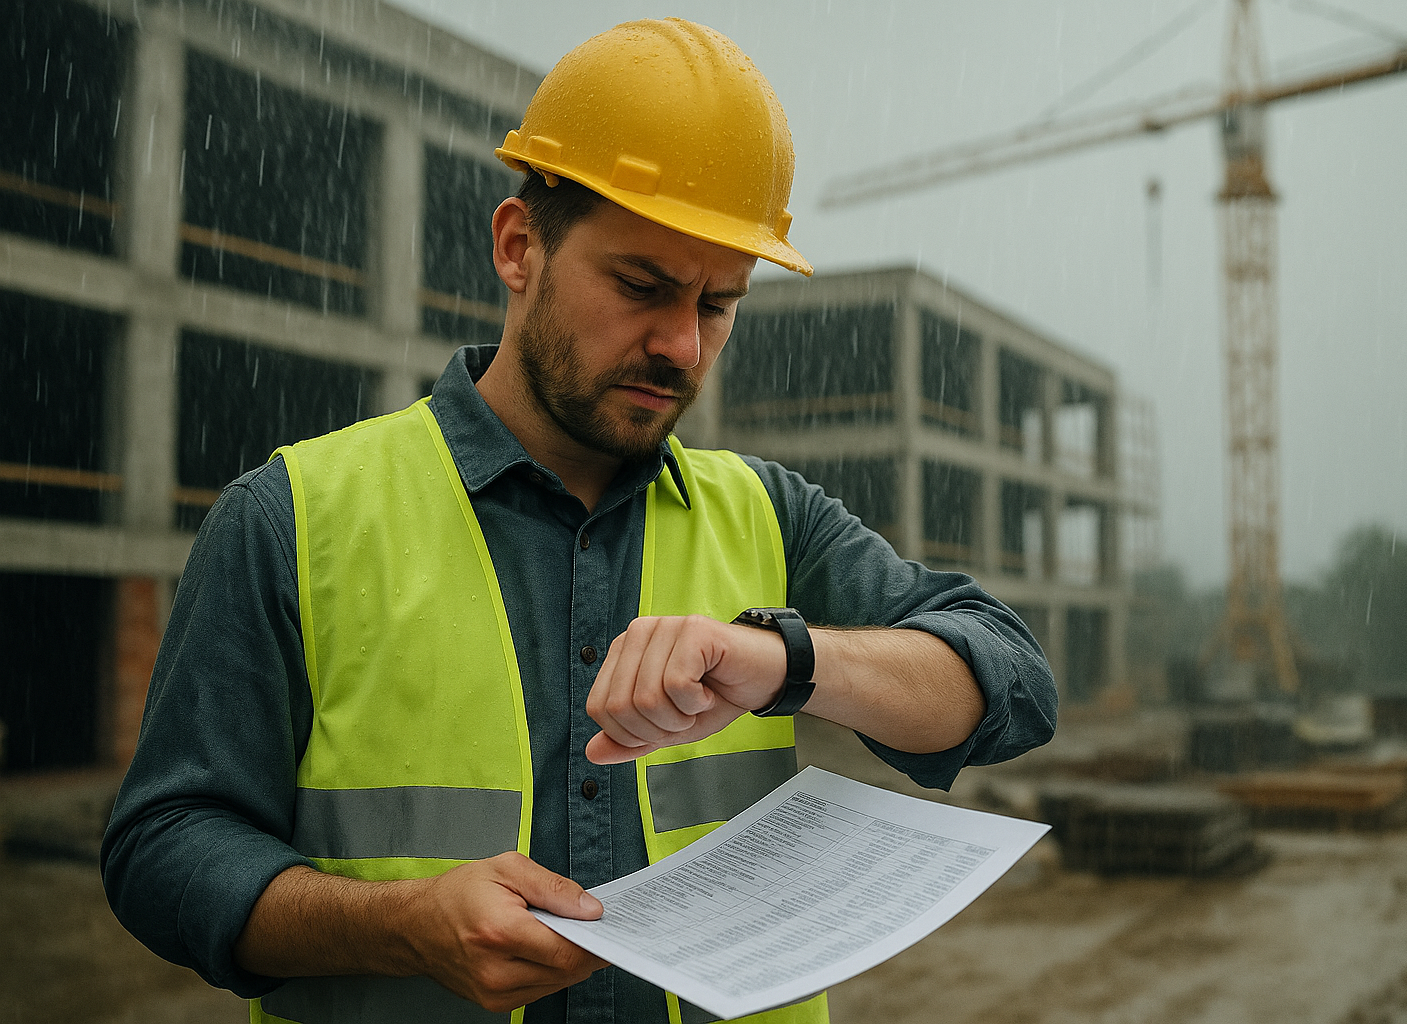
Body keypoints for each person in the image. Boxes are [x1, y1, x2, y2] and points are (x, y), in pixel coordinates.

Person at [102, 17, 1056, 1024]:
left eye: (719, 304)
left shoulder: (770, 516)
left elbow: (1011, 685)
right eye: (642, 286)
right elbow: (163, 848)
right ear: (519, 246)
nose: (682, 345)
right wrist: (400, 923)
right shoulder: (291, 520)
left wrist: (789, 659)